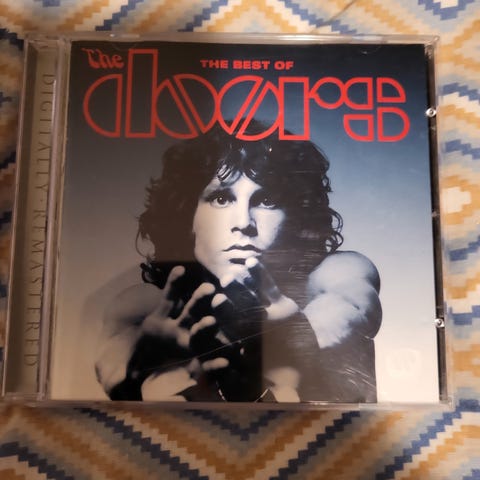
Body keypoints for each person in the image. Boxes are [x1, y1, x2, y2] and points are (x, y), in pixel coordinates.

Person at [94, 121, 382, 403]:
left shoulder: (339, 271)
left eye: (266, 200)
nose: (243, 222)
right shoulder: (145, 306)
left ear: (297, 216)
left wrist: (298, 332)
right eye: (221, 199)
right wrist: (138, 364)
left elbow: (350, 309)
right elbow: (112, 365)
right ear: (186, 216)